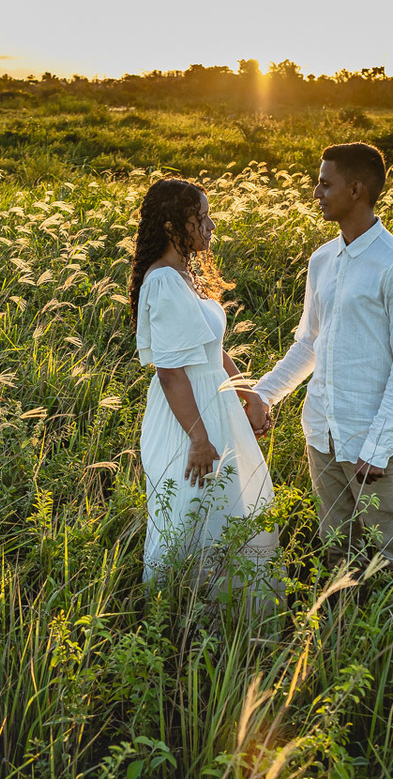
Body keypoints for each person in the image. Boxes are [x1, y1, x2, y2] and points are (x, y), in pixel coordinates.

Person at [254, 142, 393, 568]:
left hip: (372, 444)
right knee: (338, 550)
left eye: (324, 183)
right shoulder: (321, 261)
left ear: (356, 190)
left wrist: (380, 444)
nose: (316, 193)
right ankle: (342, 629)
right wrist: (262, 395)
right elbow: (310, 344)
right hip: (322, 434)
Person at [130, 177, 279, 597]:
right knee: (188, 516)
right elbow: (171, 372)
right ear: (173, 225)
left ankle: (227, 621)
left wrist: (250, 396)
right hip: (187, 418)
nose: (210, 226)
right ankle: (177, 618)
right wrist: (198, 437)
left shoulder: (184, 276)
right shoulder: (162, 281)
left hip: (212, 409)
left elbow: (213, 351)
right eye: (201, 218)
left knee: (228, 511)